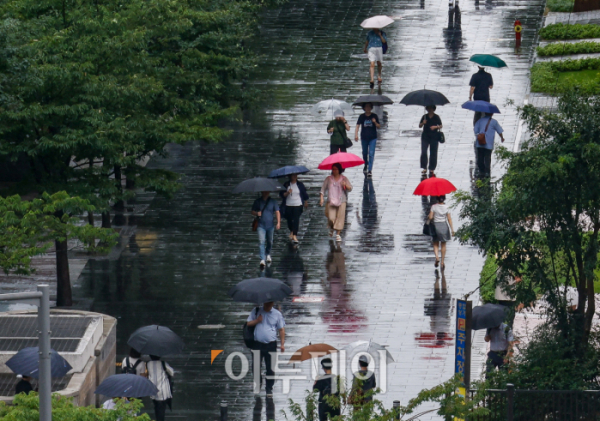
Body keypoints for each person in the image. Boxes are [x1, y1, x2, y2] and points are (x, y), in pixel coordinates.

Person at [246, 301, 285, 397]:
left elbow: (281, 329)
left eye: (269, 304)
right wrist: (257, 321)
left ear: (272, 303)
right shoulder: (256, 311)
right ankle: (258, 384)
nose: (267, 305)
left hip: (271, 345)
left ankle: (269, 388)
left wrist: (282, 344)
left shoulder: (277, 314)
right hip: (257, 344)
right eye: (266, 303)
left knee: (270, 368)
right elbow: (248, 323)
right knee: (256, 367)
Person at [320, 163, 353, 242]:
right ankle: (332, 228)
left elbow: (350, 188)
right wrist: (321, 198)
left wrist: (345, 185)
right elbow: (323, 189)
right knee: (331, 218)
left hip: (342, 201)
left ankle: (338, 234)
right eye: (333, 169)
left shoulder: (344, 179)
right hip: (331, 201)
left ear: (339, 170)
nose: (334, 171)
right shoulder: (328, 179)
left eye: (336, 169)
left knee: (340, 217)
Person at [251, 191, 281, 267]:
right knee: (261, 241)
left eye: (267, 191)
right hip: (261, 225)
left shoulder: (273, 201)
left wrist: (278, 222)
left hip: (270, 226)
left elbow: (277, 212)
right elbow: (252, 211)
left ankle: (267, 253)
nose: (265, 193)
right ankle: (262, 259)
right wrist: (257, 213)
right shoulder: (258, 201)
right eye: (264, 191)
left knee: (270, 241)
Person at [427, 195, 455, 269]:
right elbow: (449, 219)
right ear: (444, 199)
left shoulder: (434, 206)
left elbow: (430, 217)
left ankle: (437, 257)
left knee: (435, 243)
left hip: (435, 226)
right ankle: (442, 261)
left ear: (437, 199)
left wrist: (429, 216)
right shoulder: (447, 207)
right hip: (444, 226)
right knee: (443, 245)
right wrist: (452, 230)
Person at [280, 174, 309, 243]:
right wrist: (287, 192)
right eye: (292, 175)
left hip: (298, 204)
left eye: (295, 175)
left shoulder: (300, 184)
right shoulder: (286, 184)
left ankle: (295, 235)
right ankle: (292, 231)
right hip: (288, 205)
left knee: (296, 219)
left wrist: (305, 201)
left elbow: (304, 193)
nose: (294, 176)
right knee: (289, 220)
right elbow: (282, 194)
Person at [474, 113, 504, 177]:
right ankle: (487, 172)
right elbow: (499, 131)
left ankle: (481, 171)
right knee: (487, 158)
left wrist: (479, 134)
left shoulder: (480, 121)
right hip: (489, 144)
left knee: (480, 157)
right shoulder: (494, 122)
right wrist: (502, 138)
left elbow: (476, 130)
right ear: (492, 114)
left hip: (480, 143)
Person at [355, 103, 380, 177]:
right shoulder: (361, 116)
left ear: (371, 108)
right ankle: (366, 164)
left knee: (371, 154)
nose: (368, 108)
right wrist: (356, 135)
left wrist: (375, 122)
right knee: (365, 153)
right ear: (364, 108)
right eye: (366, 107)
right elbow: (357, 125)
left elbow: (379, 126)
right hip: (364, 138)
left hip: (373, 138)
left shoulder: (374, 116)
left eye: (369, 107)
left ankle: (370, 169)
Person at [147, 355, 175, 421]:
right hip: (163, 391)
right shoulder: (163, 363)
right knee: (162, 409)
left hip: (153, 390)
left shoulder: (148, 364)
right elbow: (172, 373)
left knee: (157, 407)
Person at [419, 106, 443, 178]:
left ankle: (432, 168)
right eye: (428, 108)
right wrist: (423, 123)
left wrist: (436, 127)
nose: (429, 110)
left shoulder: (436, 117)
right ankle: (424, 167)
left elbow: (441, 125)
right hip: (425, 136)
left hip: (434, 137)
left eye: (431, 108)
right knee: (424, 151)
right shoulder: (424, 116)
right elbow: (420, 126)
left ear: (433, 109)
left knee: (433, 153)